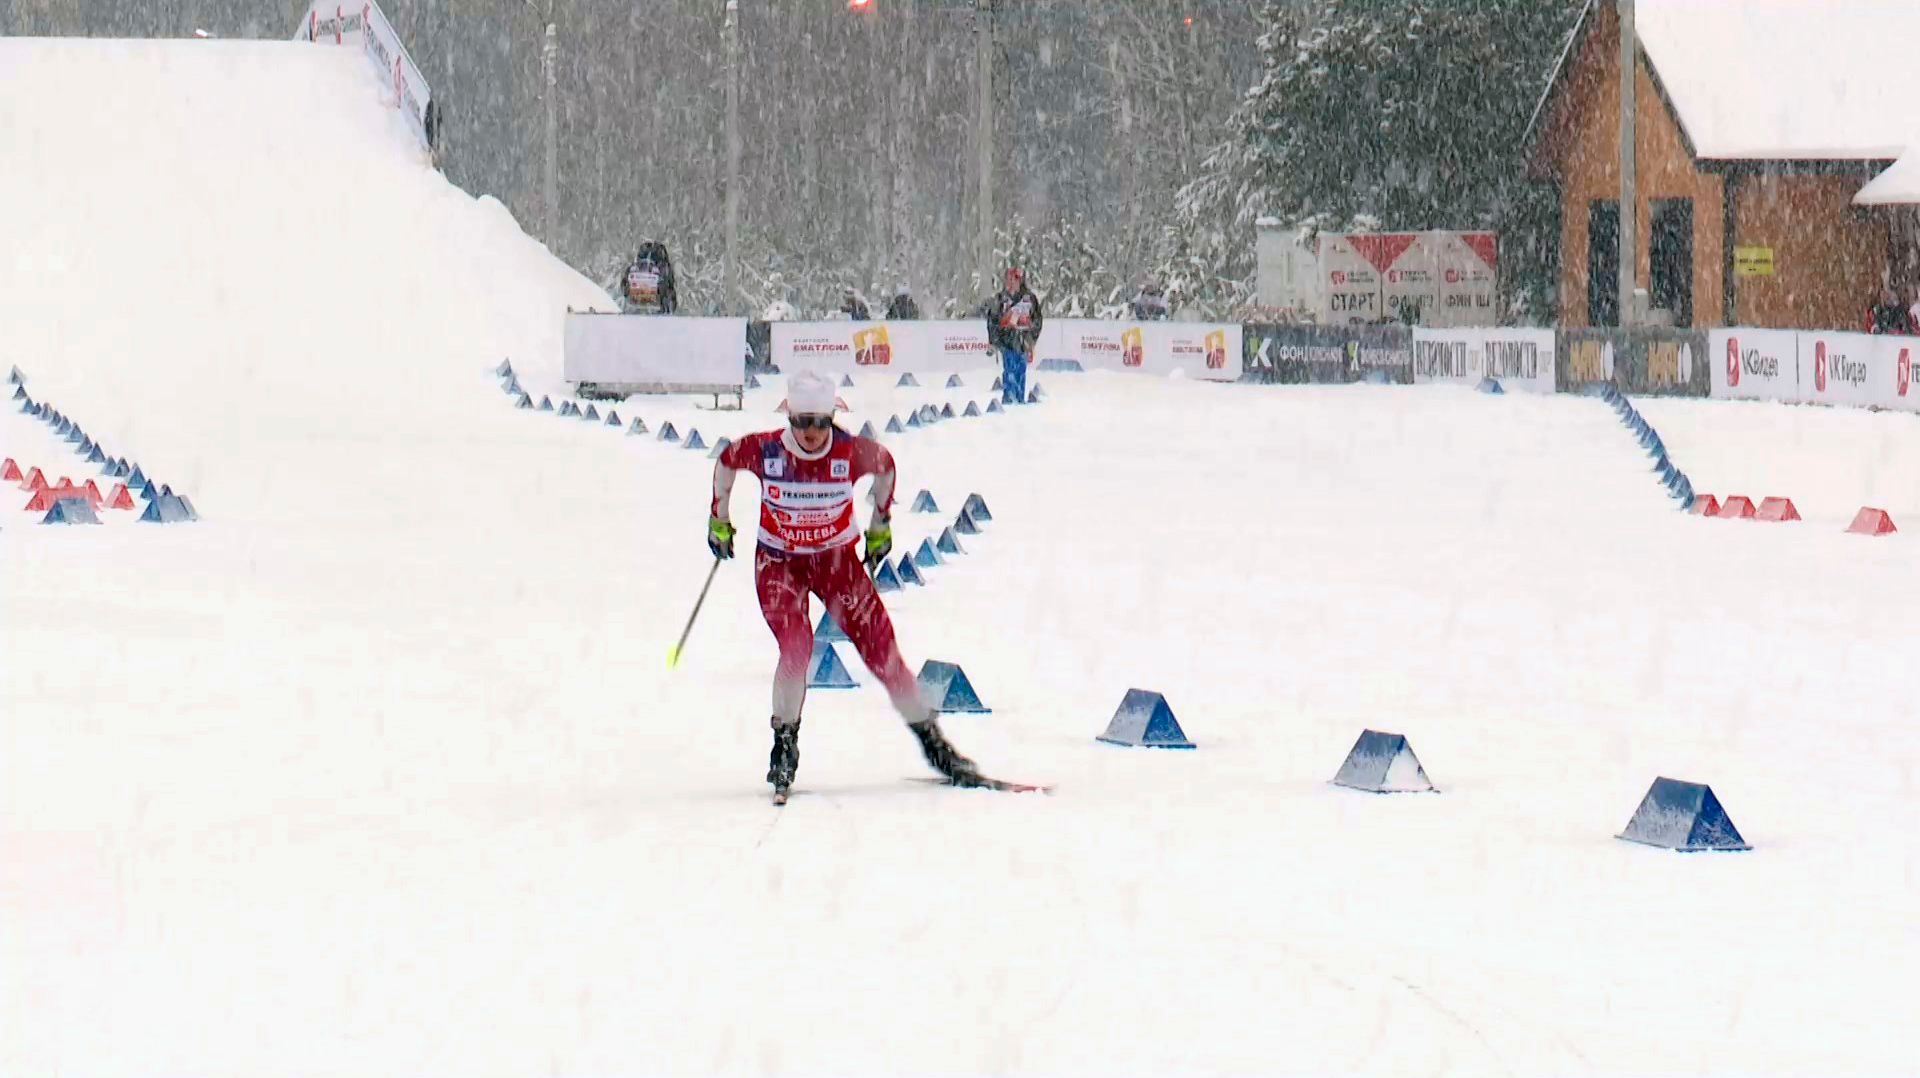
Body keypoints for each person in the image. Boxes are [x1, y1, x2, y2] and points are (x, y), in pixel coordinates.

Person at [706, 370, 981, 800]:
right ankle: (784, 744)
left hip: (837, 564)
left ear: (834, 416)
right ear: (789, 418)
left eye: (820, 422)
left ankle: (934, 745)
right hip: (780, 565)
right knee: (797, 645)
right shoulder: (765, 450)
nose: (812, 433)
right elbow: (726, 463)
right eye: (802, 422)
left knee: (883, 652)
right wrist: (718, 521)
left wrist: (880, 527)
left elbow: (886, 467)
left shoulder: (851, 452)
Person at [983, 266, 1044, 405]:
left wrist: (1031, 339)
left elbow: (1038, 320)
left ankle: (1019, 399)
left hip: (1022, 343)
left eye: (1014, 279)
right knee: (1009, 371)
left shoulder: (1029, 299)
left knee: (1020, 373)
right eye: (1008, 279)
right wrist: (994, 341)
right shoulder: (1000, 299)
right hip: (1007, 342)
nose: (1011, 282)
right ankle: (1009, 399)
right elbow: (992, 321)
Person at [611, 242, 677, 315]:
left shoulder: (634, 268)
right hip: (658, 309)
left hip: (634, 308)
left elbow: (624, 286)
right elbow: (670, 285)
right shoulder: (664, 268)